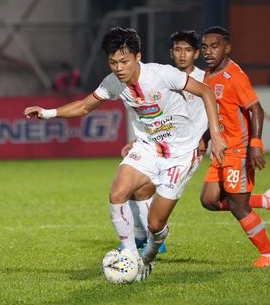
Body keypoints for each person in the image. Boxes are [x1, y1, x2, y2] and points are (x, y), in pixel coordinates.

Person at [24, 27, 227, 280]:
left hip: (181, 153)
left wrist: (216, 137)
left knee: (155, 225)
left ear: (137, 57)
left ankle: (149, 255)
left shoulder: (163, 75)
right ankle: (131, 256)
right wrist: (47, 113)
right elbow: (85, 106)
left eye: (124, 61)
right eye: (113, 62)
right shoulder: (113, 83)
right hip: (148, 147)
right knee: (117, 192)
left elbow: (206, 92)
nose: (118, 67)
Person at [198, 26, 270, 268]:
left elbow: (256, 110)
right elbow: (219, 114)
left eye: (214, 46)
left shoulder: (234, 77)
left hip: (237, 150)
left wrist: (255, 143)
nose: (208, 52)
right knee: (208, 200)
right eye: (205, 47)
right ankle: (266, 201)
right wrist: (207, 138)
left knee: (238, 206)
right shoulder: (208, 74)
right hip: (220, 149)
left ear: (227, 48)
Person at [122, 30, 210, 254]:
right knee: (137, 190)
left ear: (196, 53)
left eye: (188, 50)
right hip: (162, 146)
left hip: (187, 150)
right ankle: (149, 238)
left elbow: (217, 109)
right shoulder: (164, 76)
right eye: (178, 50)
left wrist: (207, 137)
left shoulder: (204, 79)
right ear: (171, 53)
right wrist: (138, 141)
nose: (182, 55)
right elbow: (160, 118)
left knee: (143, 191)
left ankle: (149, 238)